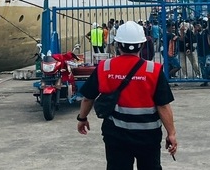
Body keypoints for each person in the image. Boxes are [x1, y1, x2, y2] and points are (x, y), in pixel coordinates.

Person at [76, 20, 178, 169]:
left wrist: (82, 118)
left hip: (116, 136)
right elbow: (163, 106)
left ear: (118, 44)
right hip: (148, 137)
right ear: (142, 45)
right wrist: (171, 133)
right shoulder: (153, 70)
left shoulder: (105, 67)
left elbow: (88, 98)